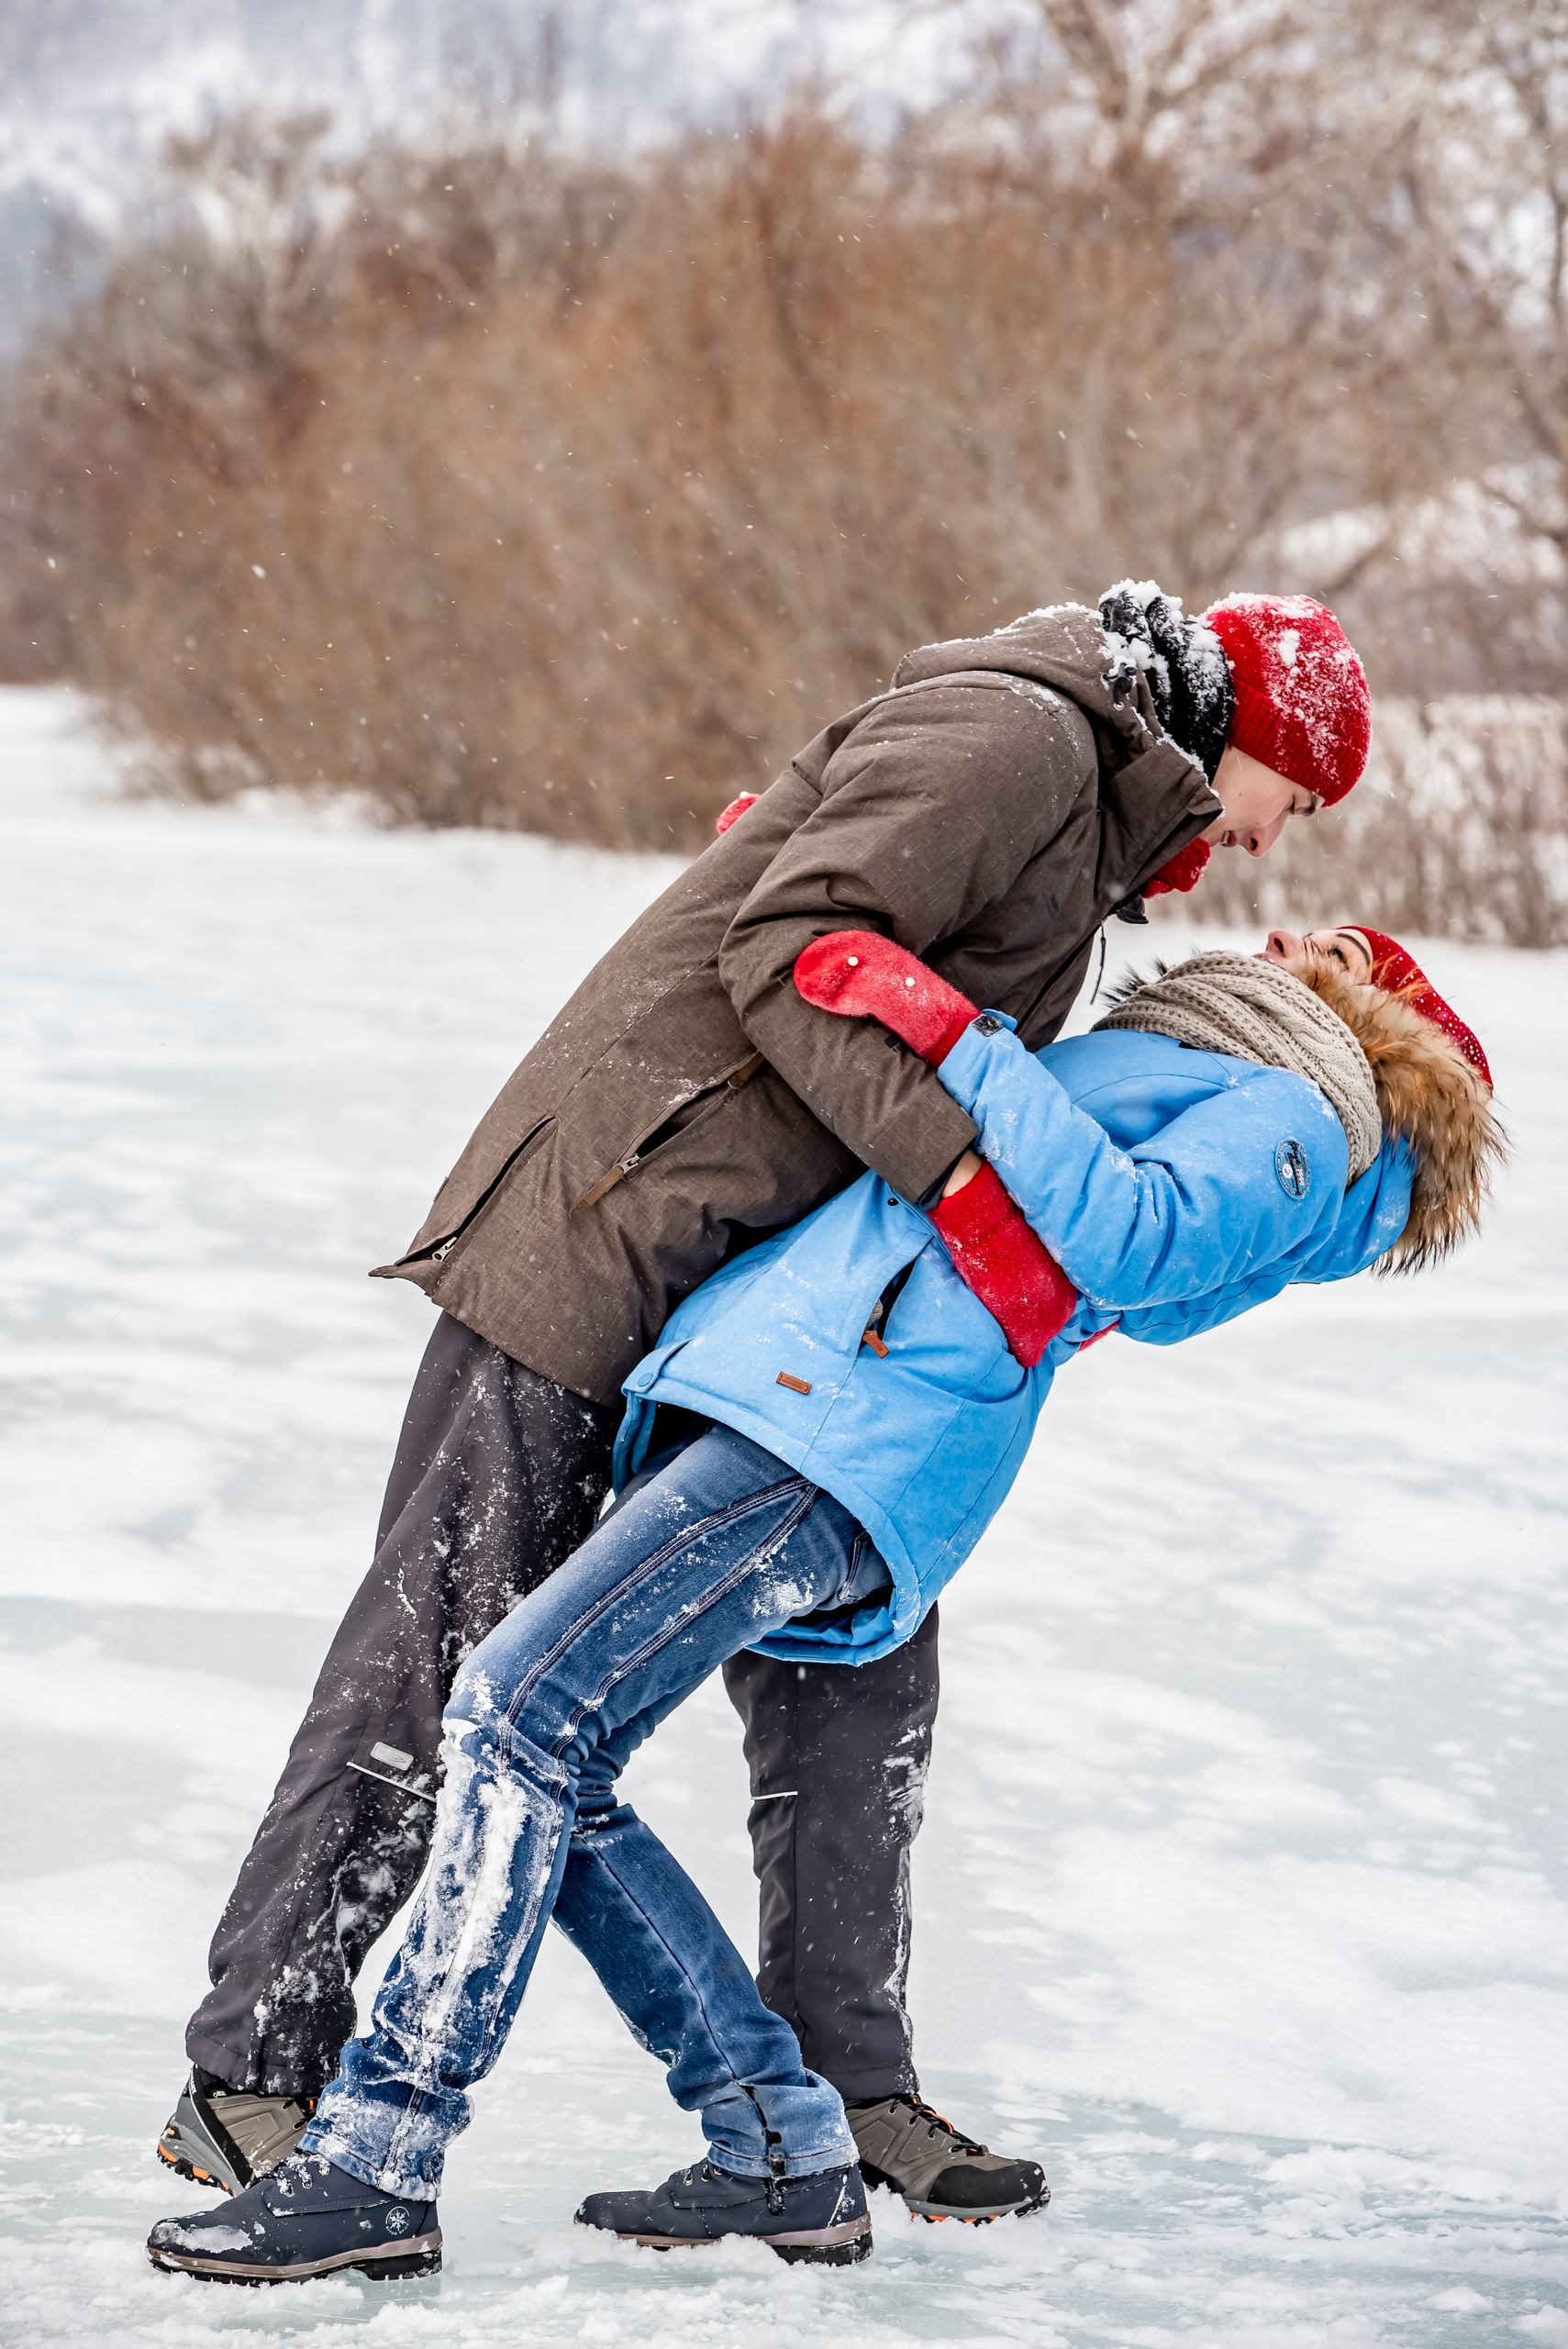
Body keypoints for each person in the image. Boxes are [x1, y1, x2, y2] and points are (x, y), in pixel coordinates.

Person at [159, 584, 1374, 2221]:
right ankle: (256, 2068)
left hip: (767, 1302)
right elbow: (790, 949)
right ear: (1248, 736)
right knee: (452, 1642)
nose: (1272, 842)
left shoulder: (1080, 814)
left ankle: (840, 2096)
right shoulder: (1017, 735)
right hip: (614, 1219)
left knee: (855, 1671)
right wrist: (955, 1178)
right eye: (1293, 798)